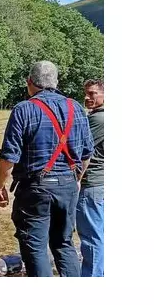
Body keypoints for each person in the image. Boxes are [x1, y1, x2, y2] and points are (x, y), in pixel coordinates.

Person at [0, 61, 94, 277]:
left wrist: (0, 187)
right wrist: (77, 178)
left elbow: (9, 156)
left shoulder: (24, 109)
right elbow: (87, 153)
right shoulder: (76, 107)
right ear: (56, 82)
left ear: (30, 82)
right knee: (64, 243)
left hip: (35, 189)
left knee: (35, 247)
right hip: (67, 185)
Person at [76, 78, 104, 276]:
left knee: (91, 237)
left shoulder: (99, 119)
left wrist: (76, 178)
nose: (87, 97)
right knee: (99, 233)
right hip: (100, 183)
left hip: (92, 183)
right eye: (86, 93)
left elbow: (79, 149)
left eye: (93, 93)